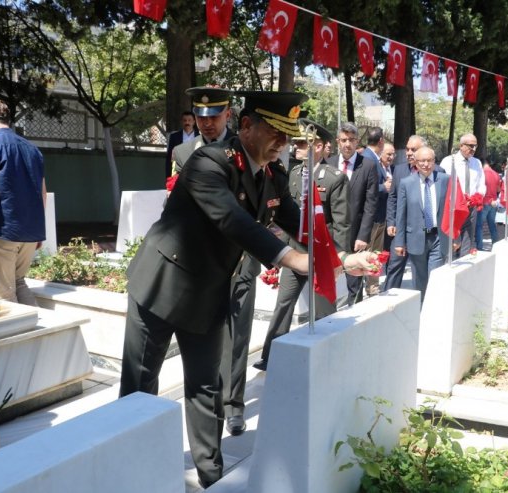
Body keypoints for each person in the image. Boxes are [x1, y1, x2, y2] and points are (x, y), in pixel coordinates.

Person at [118, 91, 374, 488]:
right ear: (247, 125)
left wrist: (340, 258)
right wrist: (294, 260)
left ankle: (211, 477)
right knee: (140, 387)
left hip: (207, 292)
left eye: (288, 136)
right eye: (275, 132)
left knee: (206, 388)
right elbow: (234, 222)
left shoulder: (272, 175)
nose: (283, 144)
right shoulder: (208, 162)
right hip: (162, 285)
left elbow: (300, 223)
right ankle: (132, 470)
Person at [252, 120, 348, 371]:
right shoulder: (293, 174)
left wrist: (337, 257)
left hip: (321, 254)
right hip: (295, 251)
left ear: (318, 146)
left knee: (325, 308)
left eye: (303, 143)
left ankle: (329, 356)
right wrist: (280, 254)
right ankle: (271, 354)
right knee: (284, 304)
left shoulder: (335, 178)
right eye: (296, 143)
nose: (296, 148)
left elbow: (341, 223)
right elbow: (286, 219)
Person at [0, 98, 46, 306]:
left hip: (4, 231)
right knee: (19, 282)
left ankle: (24, 337)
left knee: (4, 293)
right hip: (30, 232)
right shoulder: (32, 149)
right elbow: (43, 193)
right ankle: (39, 333)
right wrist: (39, 231)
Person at [327, 122, 379, 305]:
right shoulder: (329, 163)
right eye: (344, 140)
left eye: (351, 140)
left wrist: (363, 235)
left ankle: (354, 310)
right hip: (331, 231)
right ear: (337, 142)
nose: (347, 144)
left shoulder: (368, 166)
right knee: (329, 277)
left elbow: (370, 204)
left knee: (354, 278)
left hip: (355, 233)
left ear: (357, 142)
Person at [393, 146, 450, 303]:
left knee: (435, 276)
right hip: (416, 238)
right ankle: (420, 310)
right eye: (422, 161)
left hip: (438, 237)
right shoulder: (406, 183)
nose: (426, 164)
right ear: (415, 163)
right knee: (419, 280)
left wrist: (454, 236)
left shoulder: (444, 179)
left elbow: (450, 209)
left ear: (434, 161)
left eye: (429, 160)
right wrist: (399, 241)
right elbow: (401, 214)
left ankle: (433, 310)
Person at [382, 135, 426, 292]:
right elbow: (392, 198)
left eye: (413, 150)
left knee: (420, 271)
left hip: (422, 231)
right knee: (394, 266)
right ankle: (387, 300)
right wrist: (391, 222)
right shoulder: (400, 170)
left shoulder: (434, 171)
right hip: (401, 230)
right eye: (407, 149)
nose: (408, 153)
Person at [170, 86, 236, 175]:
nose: (207, 123)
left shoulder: (243, 148)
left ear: (227, 115)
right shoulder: (183, 153)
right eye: (201, 117)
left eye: (214, 117)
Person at [439, 134, 486, 256]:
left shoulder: (477, 163)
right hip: (453, 208)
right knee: (452, 238)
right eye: (470, 146)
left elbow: (481, 184)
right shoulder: (449, 161)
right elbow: (443, 184)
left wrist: (477, 198)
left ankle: (464, 261)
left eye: (475, 146)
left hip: (471, 207)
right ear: (461, 146)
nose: (473, 149)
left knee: (467, 238)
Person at [365, 141, 394, 296]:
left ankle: (373, 287)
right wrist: (384, 187)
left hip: (383, 219)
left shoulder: (390, 169)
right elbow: (368, 189)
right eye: (388, 154)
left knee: (376, 254)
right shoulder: (373, 167)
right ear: (381, 153)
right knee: (368, 253)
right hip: (373, 218)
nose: (391, 157)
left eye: (393, 154)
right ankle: (369, 286)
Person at [475, 160, 500, 250]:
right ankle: (496, 245)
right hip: (493, 202)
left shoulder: (482, 173)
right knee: (492, 225)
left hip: (484, 202)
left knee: (479, 225)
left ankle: (479, 247)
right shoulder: (496, 174)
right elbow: (498, 189)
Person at [165, 111, 198, 177]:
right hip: (179, 170)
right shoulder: (174, 136)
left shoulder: (200, 136)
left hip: (195, 169)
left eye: (189, 120)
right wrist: (169, 176)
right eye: (184, 120)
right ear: (182, 122)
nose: (187, 122)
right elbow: (170, 156)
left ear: (194, 122)